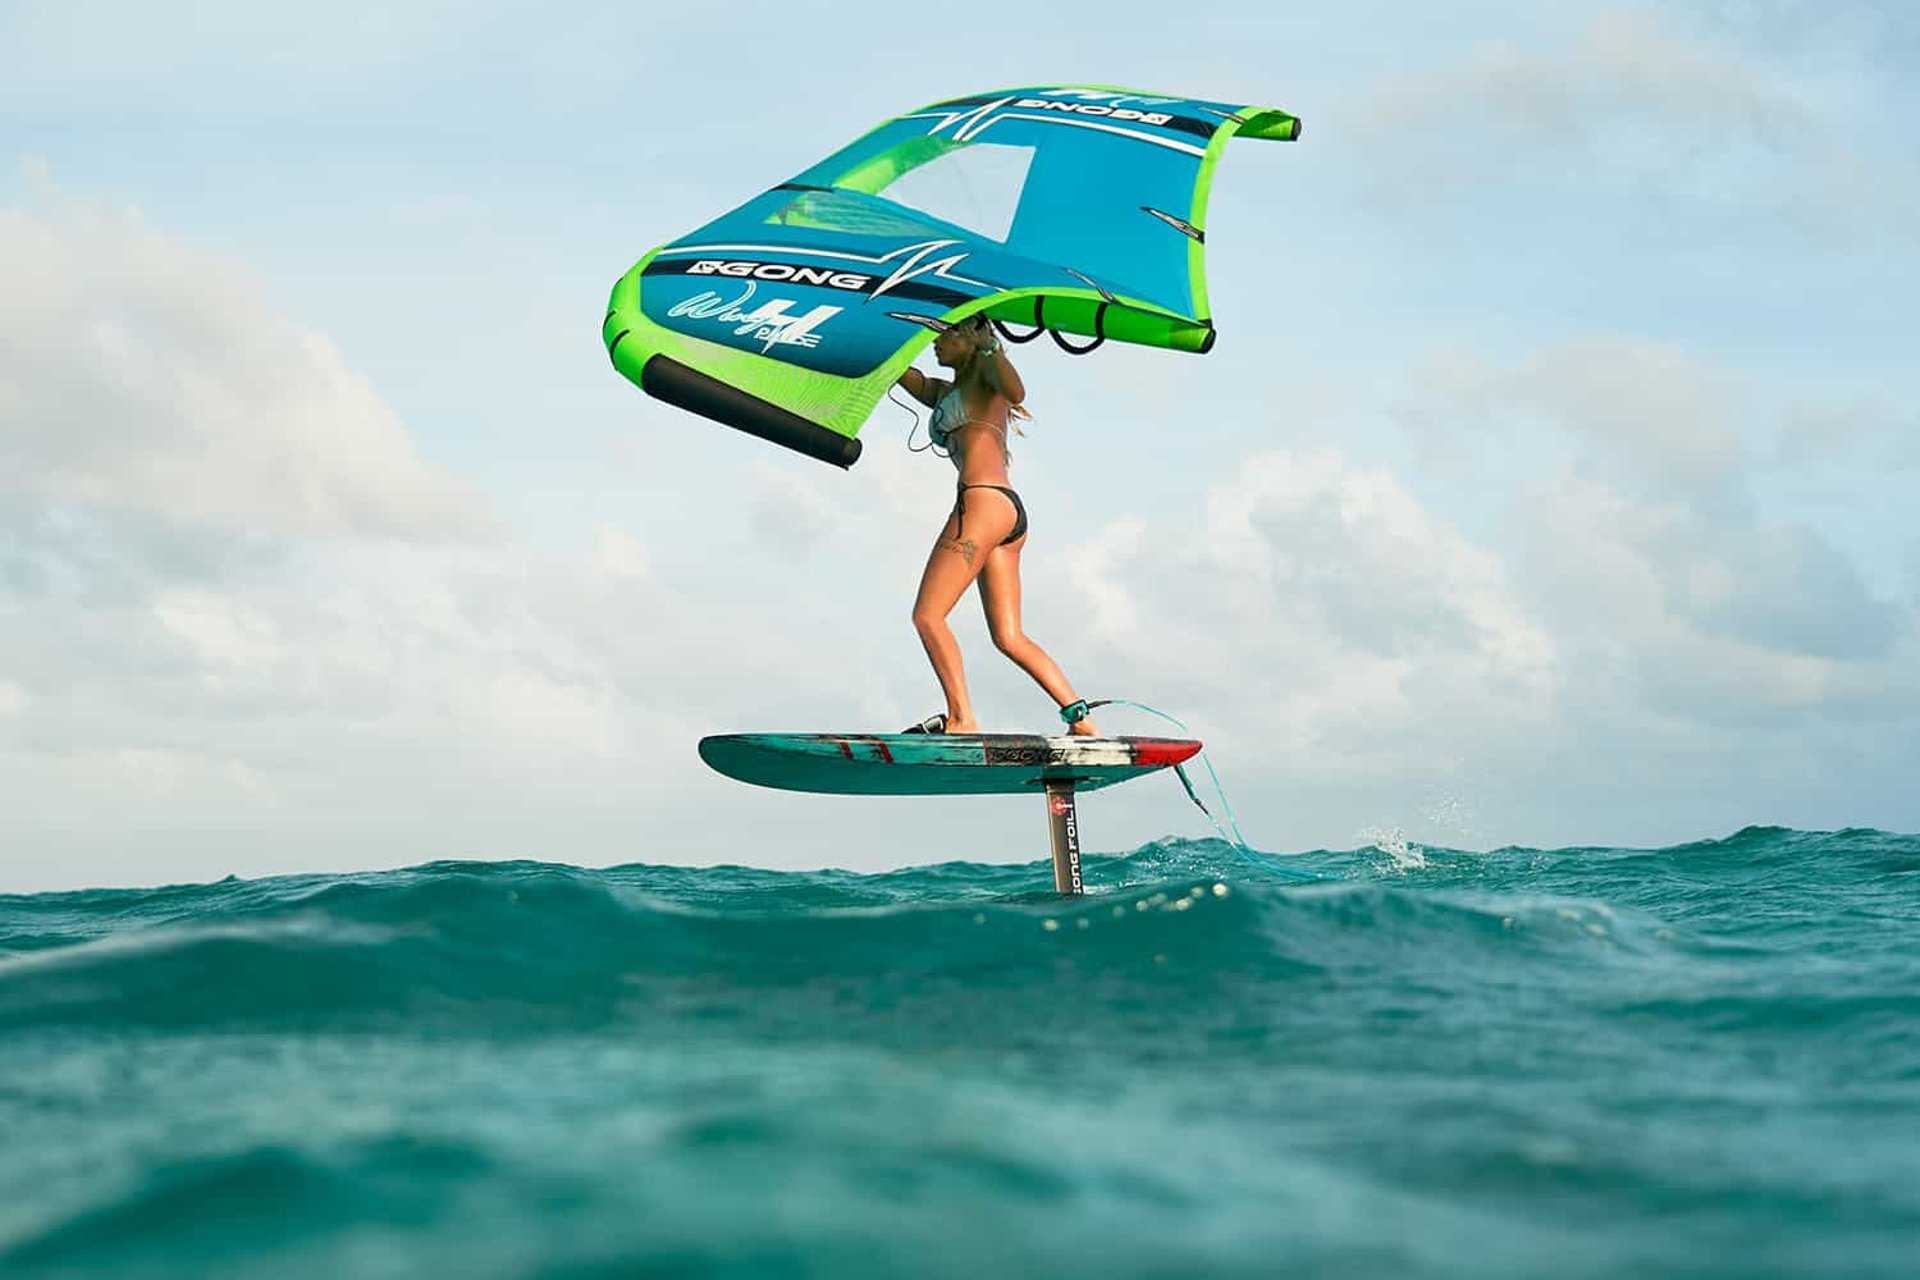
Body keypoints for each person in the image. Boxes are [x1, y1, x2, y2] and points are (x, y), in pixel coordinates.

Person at [895, 314, 1101, 737]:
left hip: (982, 504)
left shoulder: (987, 375)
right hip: (1006, 512)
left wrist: (989, 346)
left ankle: (961, 718)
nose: (936, 341)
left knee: (928, 616)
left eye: (946, 332)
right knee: (1009, 636)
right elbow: (904, 374)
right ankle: (1082, 722)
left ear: (971, 337)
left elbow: (1016, 389)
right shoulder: (948, 391)